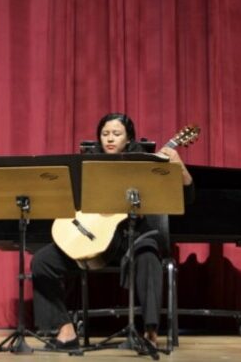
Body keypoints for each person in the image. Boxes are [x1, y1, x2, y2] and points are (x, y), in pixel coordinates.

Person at [30, 113, 195, 350]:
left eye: (116, 134)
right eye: (105, 134)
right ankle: (65, 330)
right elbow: (69, 199)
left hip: (133, 239)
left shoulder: (145, 163)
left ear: (128, 139)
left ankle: (150, 332)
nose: (110, 139)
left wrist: (179, 166)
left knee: (149, 257)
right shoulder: (87, 164)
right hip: (93, 238)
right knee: (42, 261)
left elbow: (187, 198)